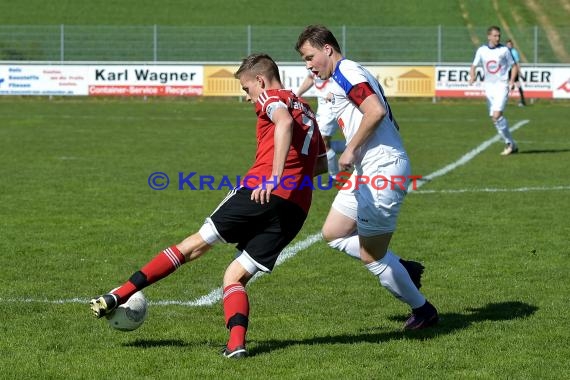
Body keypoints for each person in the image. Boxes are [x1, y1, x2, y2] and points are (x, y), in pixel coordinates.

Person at [89, 53, 327, 359]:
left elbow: (281, 123)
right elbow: (320, 166)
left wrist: (274, 177)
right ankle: (235, 345)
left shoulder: (271, 95)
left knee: (194, 246)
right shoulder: (307, 110)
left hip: (261, 191)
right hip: (296, 209)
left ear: (260, 80)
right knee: (234, 277)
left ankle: (116, 295)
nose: (247, 97)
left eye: (246, 89)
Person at [295, 25, 439, 330]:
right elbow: (389, 118)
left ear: (328, 50)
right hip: (370, 169)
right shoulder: (345, 75)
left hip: (382, 169)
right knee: (334, 233)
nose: (308, 65)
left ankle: (423, 310)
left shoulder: (347, 72)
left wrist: (351, 150)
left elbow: (374, 111)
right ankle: (401, 267)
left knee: (371, 255)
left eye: (310, 57)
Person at [469, 26, 519, 156]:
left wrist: (512, 81)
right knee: (495, 119)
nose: (498, 38)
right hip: (489, 87)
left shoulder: (504, 50)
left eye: (499, 36)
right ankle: (512, 144)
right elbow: (473, 65)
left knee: (497, 115)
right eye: (495, 36)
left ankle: (509, 143)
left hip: (502, 86)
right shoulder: (482, 50)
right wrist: (472, 75)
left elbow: (514, 66)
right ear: (489, 36)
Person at [296, 71, 346, 179]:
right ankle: (355, 147)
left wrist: (334, 92)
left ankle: (336, 177)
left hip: (332, 103)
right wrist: (297, 94)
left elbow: (342, 78)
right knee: (320, 142)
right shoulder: (313, 62)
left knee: (321, 141)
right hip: (321, 104)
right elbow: (310, 78)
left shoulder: (327, 59)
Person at [506, 39, 527, 107]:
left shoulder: (514, 52)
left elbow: (517, 63)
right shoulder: (505, 52)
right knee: (507, 86)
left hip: (513, 70)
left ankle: (523, 101)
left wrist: (519, 72)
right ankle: (503, 100)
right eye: (508, 44)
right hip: (507, 70)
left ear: (512, 45)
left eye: (510, 44)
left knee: (517, 85)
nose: (509, 46)